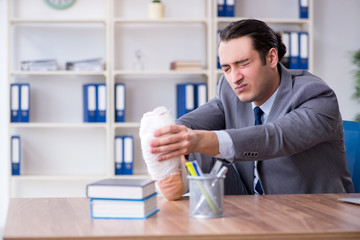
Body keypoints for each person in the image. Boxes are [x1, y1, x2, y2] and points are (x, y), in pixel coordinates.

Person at [149, 19, 354, 199]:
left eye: (243, 64)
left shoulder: (316, 95)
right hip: (250, 208)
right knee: (189, 142)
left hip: (312, 213)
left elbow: (273, 137)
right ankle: (179, 180)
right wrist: (168, 143)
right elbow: (194, 121)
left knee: (203, 142)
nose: (234, 77)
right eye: (227, 68)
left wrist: (199, 140)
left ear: (272, 58)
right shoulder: (230, 90)